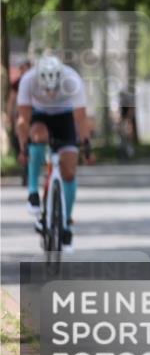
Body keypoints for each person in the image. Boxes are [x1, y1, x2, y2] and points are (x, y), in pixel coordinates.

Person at [16, 54, 94, 252]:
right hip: (40, 116)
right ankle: (33, 192)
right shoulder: (28, 80)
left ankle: (66, 224)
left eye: (54, 88)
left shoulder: (72, 79)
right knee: (37, 136)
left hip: (65, 117)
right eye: (46, 89)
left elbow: (81, 117)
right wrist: (24, 147)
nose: (50, 93)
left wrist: (86, 145)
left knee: (69, 171)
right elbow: (23, 120)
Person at [6, 58, 31, 183]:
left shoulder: (34, 81)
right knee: (19, 140)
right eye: (21, 69)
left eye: (24, 68)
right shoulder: (17, 83)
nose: (22, 71)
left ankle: (29, 166)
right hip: (20, 115)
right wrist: (9, 116)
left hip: (33, 117)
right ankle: (24, 165)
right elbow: (11, 100)